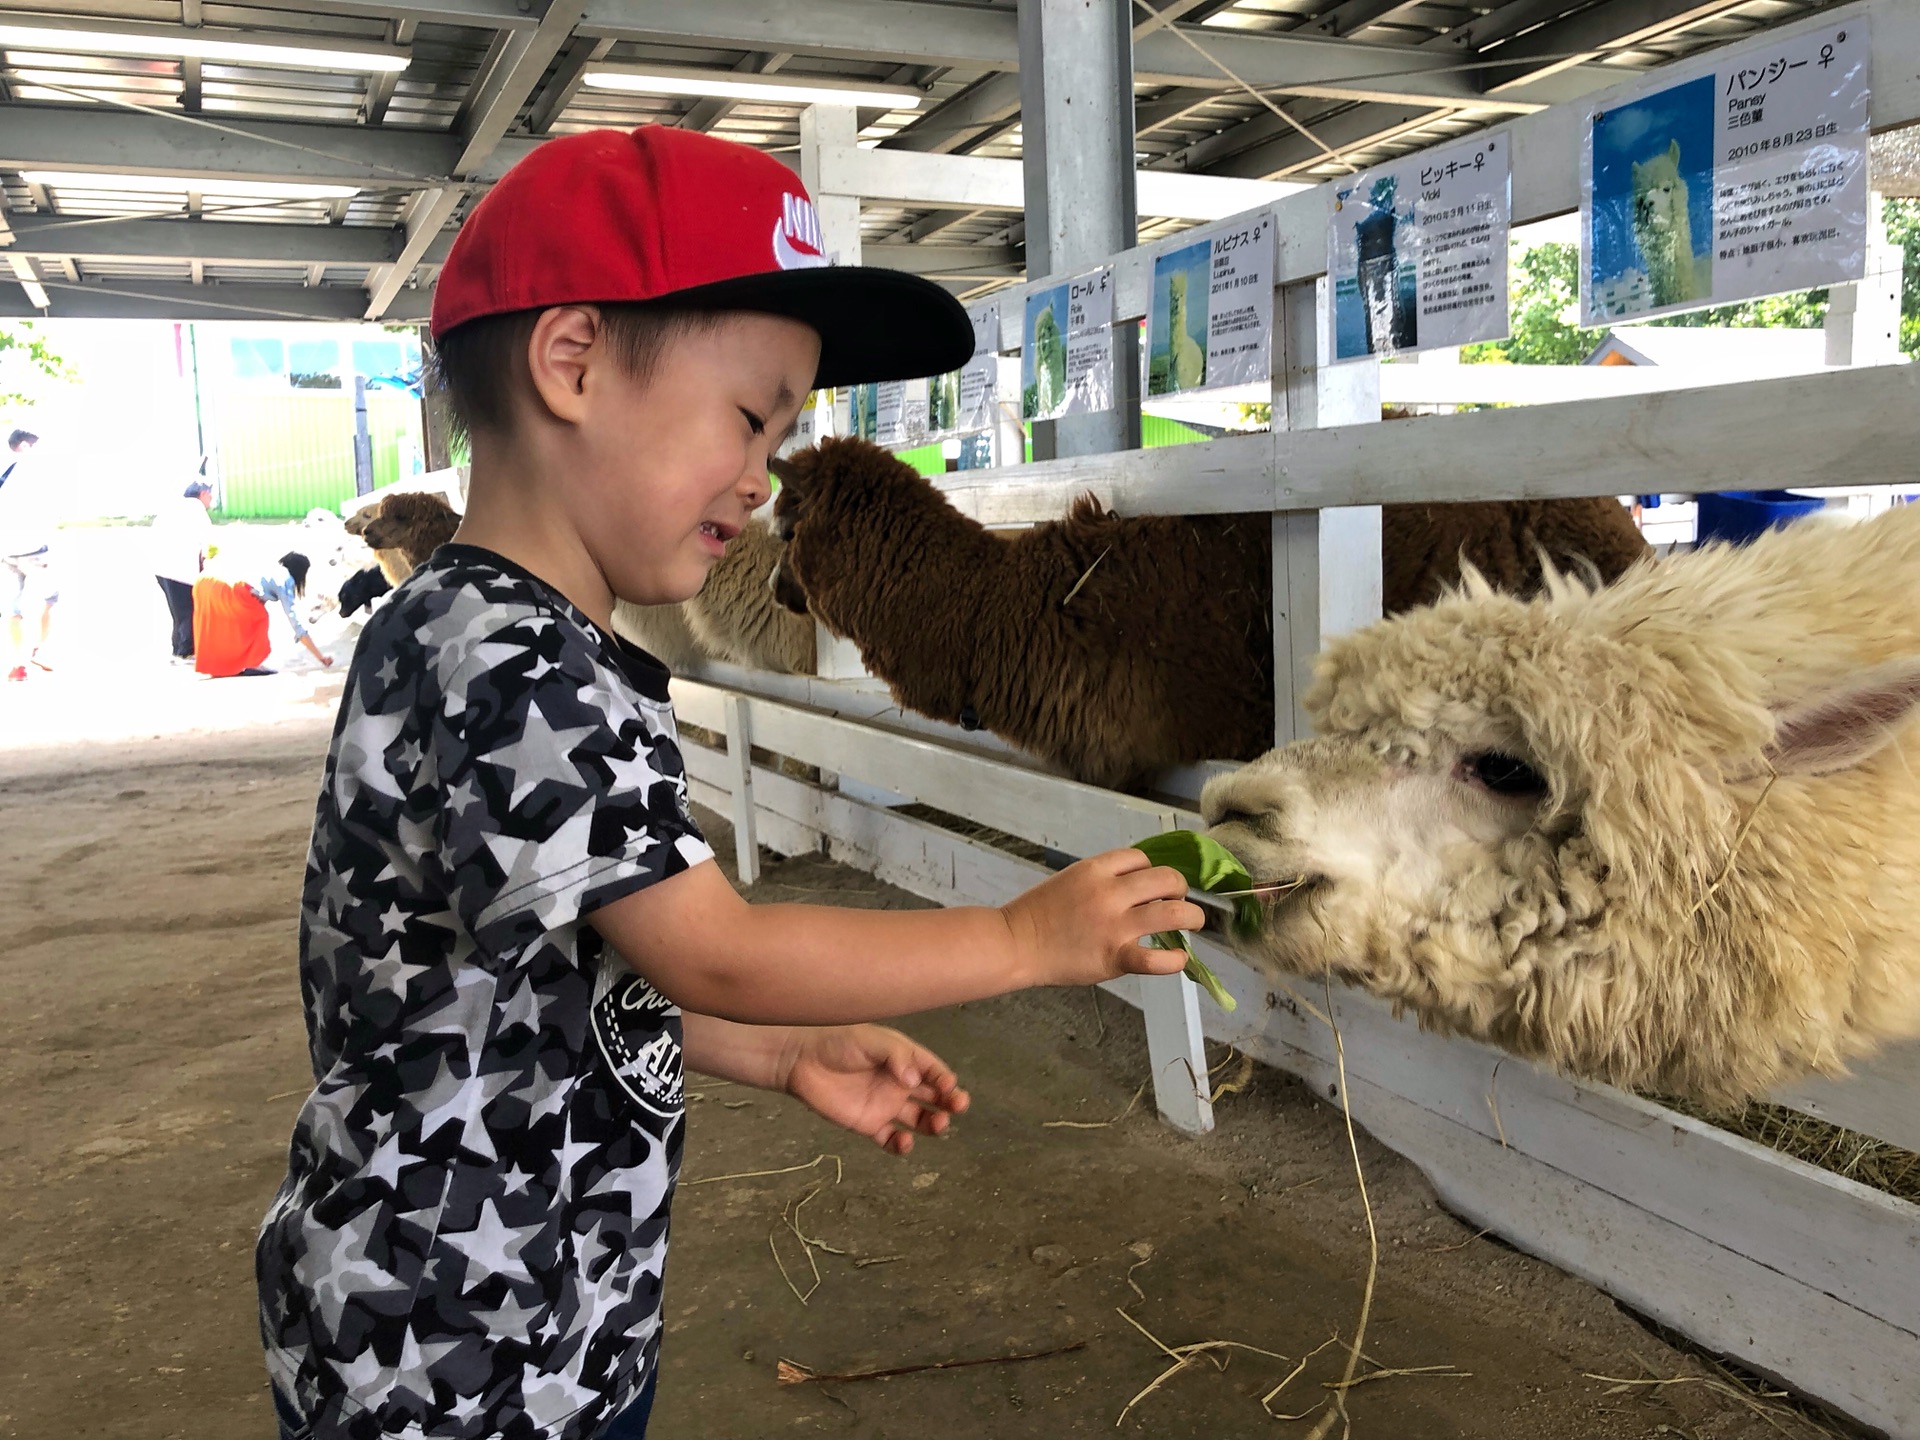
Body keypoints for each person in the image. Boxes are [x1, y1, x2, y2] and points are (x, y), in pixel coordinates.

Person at [256, 126, 1202, 1440]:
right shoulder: (516, 660)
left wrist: (776, 1049)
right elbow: (719, 952)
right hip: (460, 1351)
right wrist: (1019, 937)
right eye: (751, 417)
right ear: (572, 362)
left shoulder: (484, 635)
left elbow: (522, 988)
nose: (763, 478)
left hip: (533, 1317)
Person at [191, 550, 334, 677]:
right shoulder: (286, 580)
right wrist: (320, 657)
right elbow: (295, 622)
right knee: (259, 617)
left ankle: (217, 664)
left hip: (204, 581)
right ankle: (253, 663)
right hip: (229, 588)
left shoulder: (270, 568)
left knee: (217, 623)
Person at [0, 428, 56, 681]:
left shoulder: (5, 467)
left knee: (12, 609)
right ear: (24, 446)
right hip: (34, 548)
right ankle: (36, 649)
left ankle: (17, 664)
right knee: (50, 598)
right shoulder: (32, 465)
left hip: (6, 550)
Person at [153, 473, 215, 661]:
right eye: (211, 495)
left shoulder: (171, 507)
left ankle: (177, 651)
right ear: (203, 493)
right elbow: (209, 546)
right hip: (181, 570)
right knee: (190, 612)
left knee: (178, 614)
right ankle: (185, 654)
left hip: (160, 569)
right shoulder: (197, 510)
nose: (211, 499)